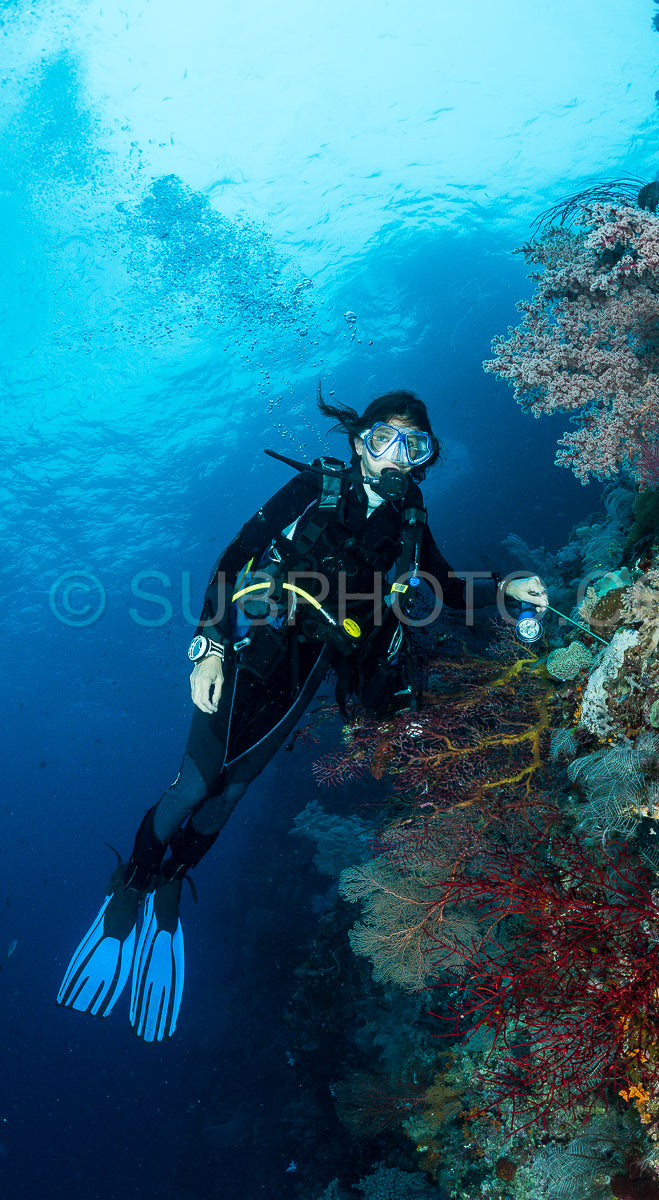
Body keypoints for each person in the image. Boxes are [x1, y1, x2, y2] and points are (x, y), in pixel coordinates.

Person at [56, 390, 549, 1042]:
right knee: (193, 784)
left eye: (414, 445)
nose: (395, 456)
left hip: (302, 680)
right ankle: (131, 885)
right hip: (244, 657)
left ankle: (172, 882)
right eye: (382, 438)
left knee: (228, 797)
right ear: (356, 440)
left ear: (426, 457)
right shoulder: (314, 486)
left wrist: (505, 587)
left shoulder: (408, 518)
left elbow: (450, 590)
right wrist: (205, 643)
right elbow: (234, 557)